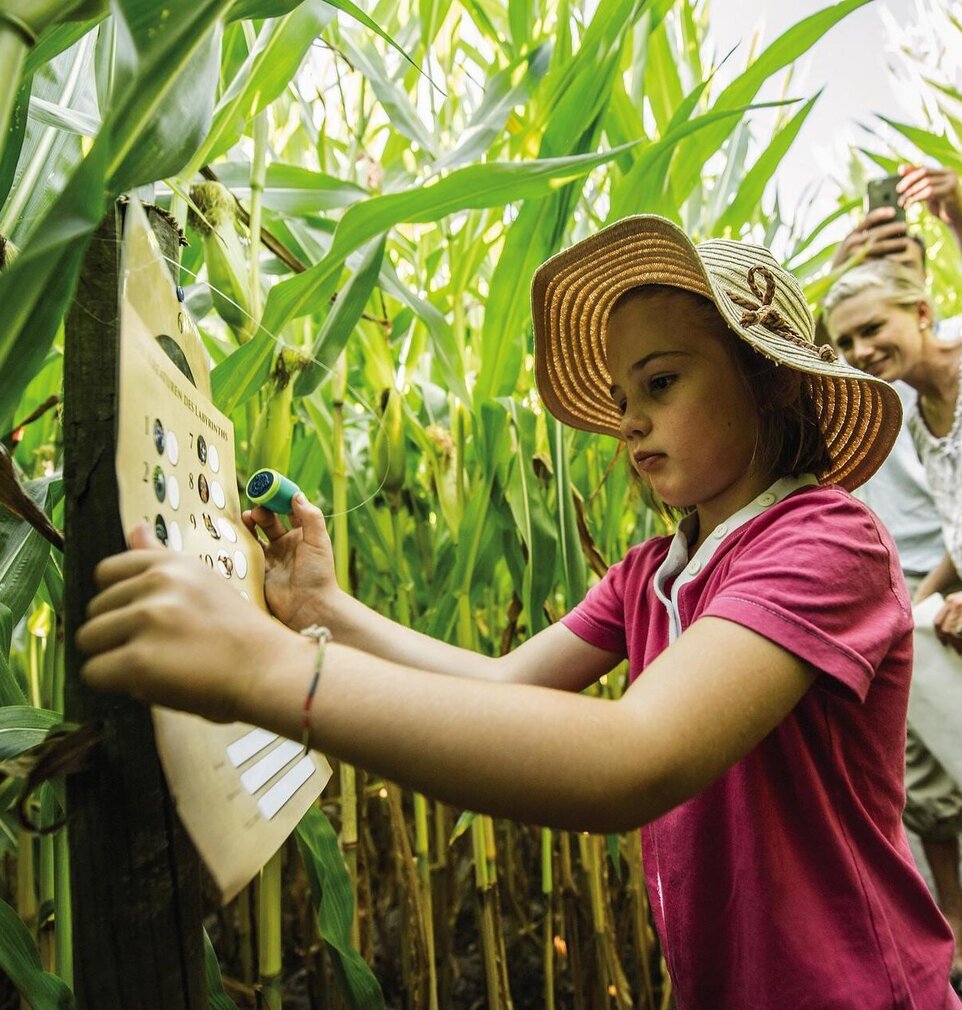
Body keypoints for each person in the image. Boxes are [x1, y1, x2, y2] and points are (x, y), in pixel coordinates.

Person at [78, 216, 962, 1009]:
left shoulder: (825, 541)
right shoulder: (650, 572)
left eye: (659, 384)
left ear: (769, 385)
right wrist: (326, 609)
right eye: (620, 399)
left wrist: (267, 672)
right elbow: (501, 683)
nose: (628, 423)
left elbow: (636, 758)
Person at [826, 164, 962, 993]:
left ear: (921, 305)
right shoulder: (888, 401)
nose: (859, 351)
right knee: (924, 801)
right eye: (845, 340)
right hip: (910, 602)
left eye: (873, 326)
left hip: (926, 603)